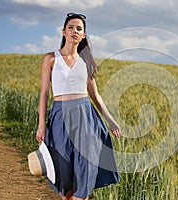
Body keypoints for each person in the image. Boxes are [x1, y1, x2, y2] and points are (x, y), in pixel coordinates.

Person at [36, 12, 120, 200]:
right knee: (64, 177)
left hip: (85, 116)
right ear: (63, 32)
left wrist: (110, 120)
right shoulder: (50, 59)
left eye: (79, 29)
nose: (75, 31)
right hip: (60, 116)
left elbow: (95, 95)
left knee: (85, 169)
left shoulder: (85, 61)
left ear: (83, 35)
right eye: (71, 27)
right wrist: (41, 125)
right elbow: (44, 94)